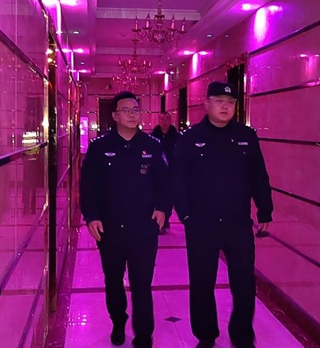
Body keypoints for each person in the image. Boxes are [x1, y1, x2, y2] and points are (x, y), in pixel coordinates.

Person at [172, 81, 274, 348]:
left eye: (230, 103)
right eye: (219, 101)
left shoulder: (246, 136)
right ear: (206, 104)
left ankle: (242, 335)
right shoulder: (190, 138)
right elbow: (178, 179)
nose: (225, 107)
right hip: (201, 223)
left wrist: (265, 209)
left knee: (244, 282)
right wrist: (185, 215)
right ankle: (206, 335)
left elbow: (258, 176)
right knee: (202, 282)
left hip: (237, 223)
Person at [80, 91, 171, 348]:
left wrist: (163, 209)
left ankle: (143, 334)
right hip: (110, 228)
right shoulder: (100, 147)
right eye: (126, 110)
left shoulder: (153, 146)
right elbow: (88, 187)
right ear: (115, 115)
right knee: (113, 280)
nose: (132, 114)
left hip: (144, 227)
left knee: (142, 283)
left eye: (136, 110)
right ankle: (118, 321)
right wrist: (91, 216)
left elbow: (166, 183)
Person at [151, 112, 179, 233]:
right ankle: (159, 222)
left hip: (173, 172)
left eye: (166, 119)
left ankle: (166, 218)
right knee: (158, 196)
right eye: (162, 119)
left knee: (170, 197)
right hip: (158, 172)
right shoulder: (153, 137)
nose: (164, 122)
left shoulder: (177, 137)